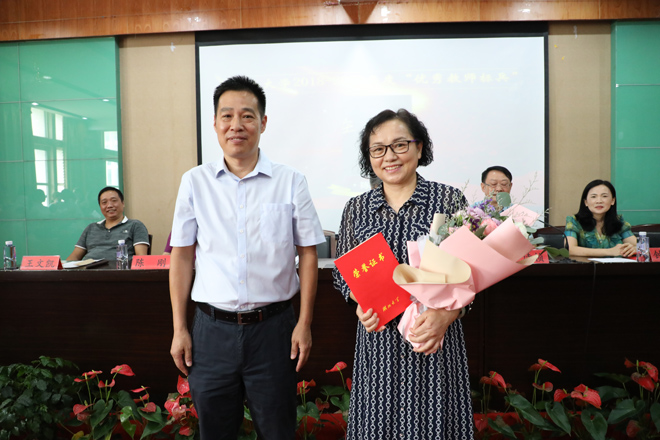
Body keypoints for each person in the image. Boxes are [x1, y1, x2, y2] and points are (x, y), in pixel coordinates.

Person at [169, 76, 324, 440]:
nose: (236, 125)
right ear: (215, 123)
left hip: (274, 330)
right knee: (215, 432)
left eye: (247, 116)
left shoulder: (290, 181)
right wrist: (179, 328)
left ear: (263, 123)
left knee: (277, 431)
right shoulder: (195, 181)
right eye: (227, 116)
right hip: (211, 333)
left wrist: (304, 324)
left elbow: (308, 254)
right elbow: (182, 256)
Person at [332, 109, 473, 439]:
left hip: (434, 339)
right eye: (378, 149)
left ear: (419, 147)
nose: (389, 156)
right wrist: (360, 302)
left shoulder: (448, 200)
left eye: (399, 145)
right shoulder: (357, 208)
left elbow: (472, 272)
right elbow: (343, 275)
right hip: (379, 343)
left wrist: (447, 315)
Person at [66, 186, 149, 262]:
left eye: (114, 201)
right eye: (104, 202)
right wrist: (64, 268)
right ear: (100, 207)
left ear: (123, 203)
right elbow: (75, 256)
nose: (109, 205)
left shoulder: (135, 225)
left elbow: (141, 258)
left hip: (119, 271)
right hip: (89, 271)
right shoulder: (91, 228)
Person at [565, 179, 637, 257]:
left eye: (604, 196)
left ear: (612, 200)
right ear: (586, 202)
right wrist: (610, 251)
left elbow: (639, 246)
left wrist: (634, 248)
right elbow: (569, 249)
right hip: (586, 265)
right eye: (593, 197)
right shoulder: (574, 222)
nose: (599, 201)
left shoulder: (619, 221)